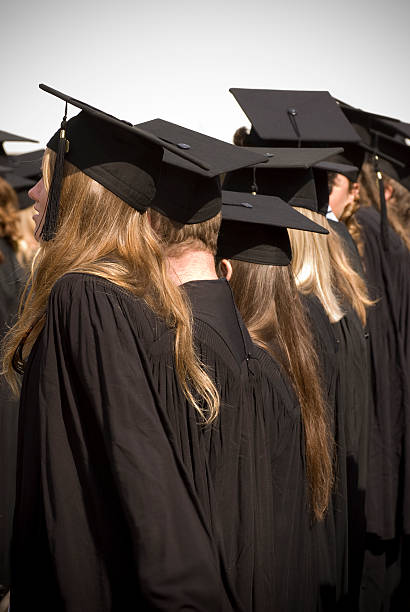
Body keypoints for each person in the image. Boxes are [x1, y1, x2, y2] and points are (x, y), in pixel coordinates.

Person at [2, 85, 269, 611]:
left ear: (78, 197)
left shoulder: (84, 296)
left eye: (48, 179)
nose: (32, 193)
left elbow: (146, 477)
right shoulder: (132, 301)